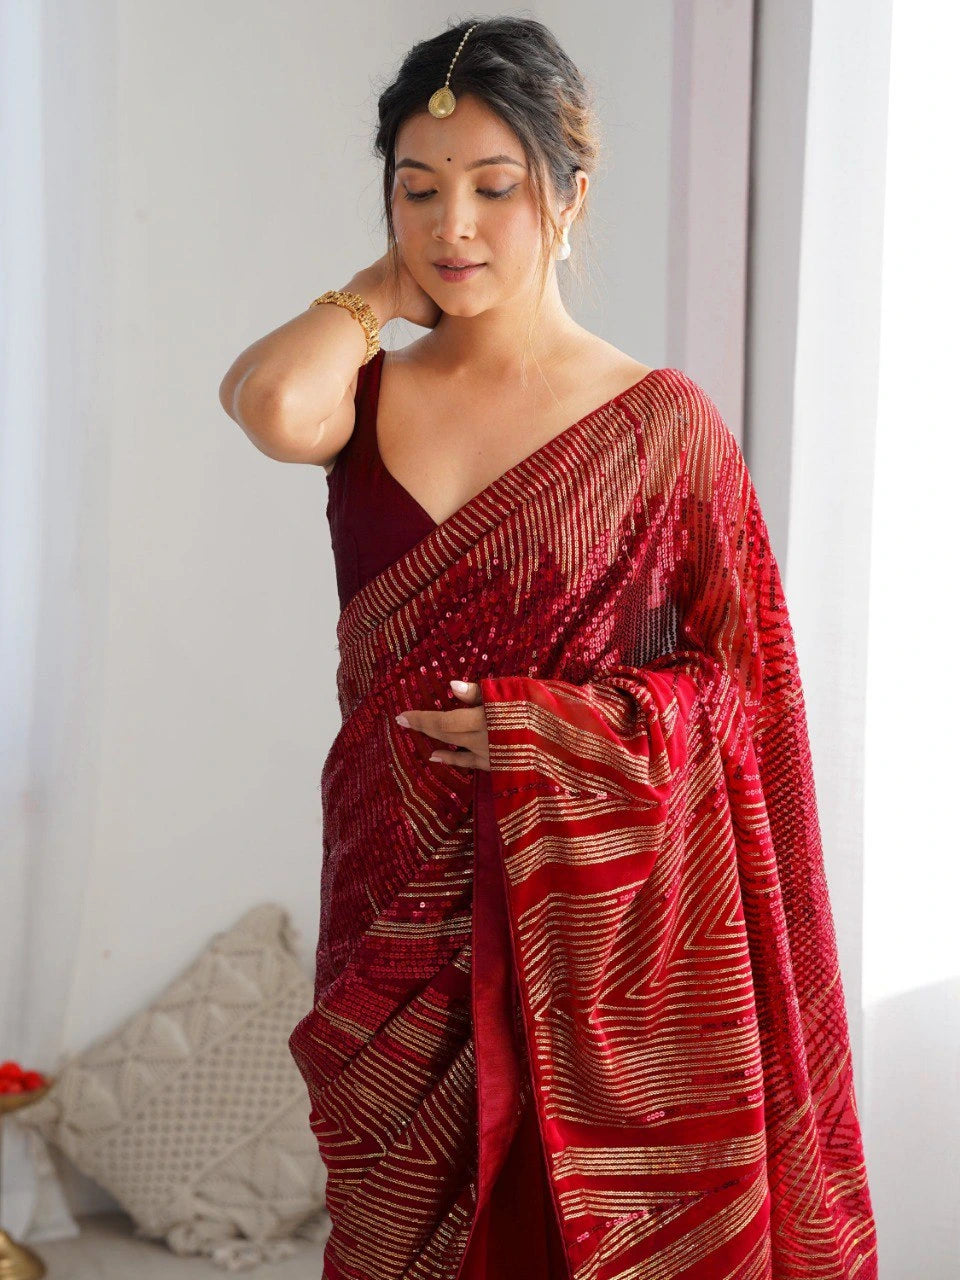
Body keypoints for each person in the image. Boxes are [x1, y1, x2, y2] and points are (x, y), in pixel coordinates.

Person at [218, 17, 878, 1280]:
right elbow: (268, 405)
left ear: (570, 197)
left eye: (494, 187)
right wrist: (377, 291)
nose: (452, 223)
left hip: (608, 933)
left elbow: (746, 697)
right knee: (408, 1228)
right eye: (419, 189)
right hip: (399, 893)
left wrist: (550, 731)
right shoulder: (371, 388)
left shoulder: (662, 426)